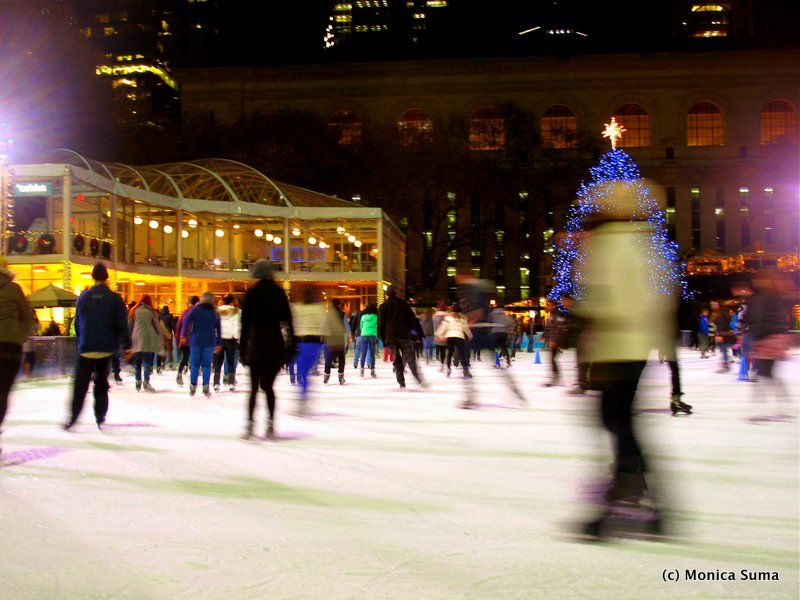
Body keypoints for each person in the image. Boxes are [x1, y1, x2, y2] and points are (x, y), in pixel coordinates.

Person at [571, 181, 676, 540]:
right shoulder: (647, 242)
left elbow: (601, 298)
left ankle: (628, 496)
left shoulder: (606, 242)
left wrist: (589, 325)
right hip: (636, 346)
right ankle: (643, 497)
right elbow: (658, 299)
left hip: (614, 346)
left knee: (618, 423)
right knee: (622, 423)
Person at [63, 262, 131, 430]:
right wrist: (126, 344)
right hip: (105, 348)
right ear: (106, 278)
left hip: (86, 347)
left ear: (93, 277)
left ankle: (73, 417)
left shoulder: (83, 297)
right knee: (101, 383)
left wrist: (82, 339)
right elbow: (121, 323)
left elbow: (77, 323)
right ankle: (100, 414)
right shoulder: (114, 299)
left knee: (80, 385)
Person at [239, 259, 295, 439]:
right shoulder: (279, 293)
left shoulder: (252, 293)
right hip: (274, 344)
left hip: (255, 344)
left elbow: (245, 324)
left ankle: (250, 424)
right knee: (268, 387)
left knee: (254, 388)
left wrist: (242, 349)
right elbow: (288, 322)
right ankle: (270, 423)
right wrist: (290, 346)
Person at [741, 270, 794, 418]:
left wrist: (747, 329)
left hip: (768, 337)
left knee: (765, 372)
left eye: (761, 279)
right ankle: (773, 400)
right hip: (768, 337)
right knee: (765, 372)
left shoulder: (763, 297)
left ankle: (764, 401)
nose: (758, 282)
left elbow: (754, 317)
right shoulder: (768, 297)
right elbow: (752, 316)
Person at [0, 258, 35, 454]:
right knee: (2, 393)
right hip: (10, 348)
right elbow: (28, 318)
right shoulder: (14, 289)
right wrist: (19, 337)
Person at [378, 286, 427, 390]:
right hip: (404, 335)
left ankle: (401, 382)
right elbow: (412, 318)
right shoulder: (403, 304)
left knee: (397, 360)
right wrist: (409, 329)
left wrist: (383, 339)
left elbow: (381, 325)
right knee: (410, 357)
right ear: (395, 293)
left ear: (387, 294)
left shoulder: (383, 306)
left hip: (391, 337)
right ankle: (418, 379)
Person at [291, 288, 330, 413]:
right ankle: (304, 396)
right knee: (306, 371)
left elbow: (294, 326)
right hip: (314, 343)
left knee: (302, 372)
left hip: (301, 342)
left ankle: (303, 397)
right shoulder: (319, 308)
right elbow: (324, 326)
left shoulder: (297, 308)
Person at [180, 292, 221, 398]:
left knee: (195, 364)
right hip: (209, 340)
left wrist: (184, 335)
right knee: (207, 365)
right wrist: (219, 343)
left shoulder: (195, 310)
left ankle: (193, 386)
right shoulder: (215, 312)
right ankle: (205, 386)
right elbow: (219, 329)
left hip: (196, 340)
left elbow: (186, 321)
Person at [128, 293, 165, 392]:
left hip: (136, 337)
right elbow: (157, 326)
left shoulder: (134, 310)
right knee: (147, 361)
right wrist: (161, 338)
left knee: (138, 361)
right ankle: (146, 382)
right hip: (148, 338)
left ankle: (138, 380)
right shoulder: (151, 311)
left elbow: (130, 325)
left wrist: (128, 339)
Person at [435, 304, 472, 378]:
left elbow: (443, 327)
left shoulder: (448, 317)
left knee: (450, 353)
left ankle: (448, 368)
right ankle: (465, 369)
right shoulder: (463, 318)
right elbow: (465, 328)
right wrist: (470, 335)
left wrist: (438, 334)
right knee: (462, 353)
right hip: (459, 337)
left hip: (450, 337)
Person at [213, 294, 241, 392]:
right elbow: (237, 325)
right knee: (230, 361)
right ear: (231, 302)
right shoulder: (236, 311)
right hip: (230, 339)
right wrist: (237, 337)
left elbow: (214, 326)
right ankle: (231, 383)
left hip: (219, 340)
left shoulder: (217, 311)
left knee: (218, 362)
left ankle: (216, 383)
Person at [323, 297, 350, 385]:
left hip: (330, 341)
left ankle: (326, 376)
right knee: (341, 358)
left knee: (328, 359)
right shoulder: (343, 314)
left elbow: (323, 326)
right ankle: (341, 377)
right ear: (339, 304)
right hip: (339, 341)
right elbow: (347, 328)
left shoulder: (327, 315)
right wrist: (349, 339)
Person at [174, 295, 199, 386]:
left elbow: (178, 326)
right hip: (195, 338)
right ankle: (193, 377)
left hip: (184, 338)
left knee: (185, 356)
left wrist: (178, 339)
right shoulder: (198, 313)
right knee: (195, 357)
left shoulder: (184, 312)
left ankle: (180, 373)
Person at [542, 300, 567, 386]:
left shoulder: (557, 315)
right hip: (554, 340)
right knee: (552, 359)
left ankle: (556, 378)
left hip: (557, 341)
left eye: (548, 305)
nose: (546, 307)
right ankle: (556, 377)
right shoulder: (552, 315)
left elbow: (560, 329)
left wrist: (555, 341)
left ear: (553, 306)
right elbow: (549, 328)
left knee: (553, 359)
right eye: (546, 305)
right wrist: (544, 335)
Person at [358, 303, 379, 378]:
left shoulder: (363, 317)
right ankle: (372, 372)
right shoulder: (376, 317)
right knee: (372, 354)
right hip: (373, 335)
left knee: (363, 354)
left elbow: (361, 326)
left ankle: (362, 370)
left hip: (364, 335)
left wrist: (363, 332)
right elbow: (378, 326)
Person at [157, 305, 176, 373]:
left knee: (163, 349)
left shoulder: (159, 316)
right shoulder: (170, 316)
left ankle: (162, 364)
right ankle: (171, 364)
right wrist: (175, 332)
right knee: (169, 350)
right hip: (168, 334)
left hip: (161, 335)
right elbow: (173, 326)